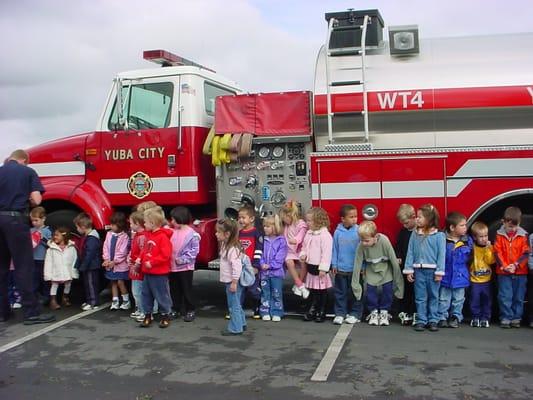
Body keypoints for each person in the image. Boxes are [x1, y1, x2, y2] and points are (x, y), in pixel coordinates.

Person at [0, 149, 55, 325]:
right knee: (24, 266)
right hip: (16, 220)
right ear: (24, 160)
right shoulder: (27, 171)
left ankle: (3, 313)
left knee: (1, 268)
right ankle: (31, 313)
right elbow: (37, 200)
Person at [403, 204, 446, 332]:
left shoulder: (438, 236)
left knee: (433, 296)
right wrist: (409, 269)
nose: (417, 219)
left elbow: (441, 255)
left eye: (420, 217)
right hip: (418, 270)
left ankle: (433, 319)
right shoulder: (415, 234)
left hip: (433, 271)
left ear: (429, 219)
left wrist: (439, 271)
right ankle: (422, 320)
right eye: (417, 216)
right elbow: (410, 251)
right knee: (420, 296)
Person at [352, 221, 404, 326]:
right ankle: (373, 311)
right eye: (361, 240)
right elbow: (357, 266)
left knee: (387, 289)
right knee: (370, 290)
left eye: (366, 241)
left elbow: (394, 261)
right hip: (371, 269)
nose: (364, 243)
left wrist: (399, 285)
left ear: (375, 237)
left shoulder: (384, 241)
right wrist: (356, 287)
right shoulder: (361, 246)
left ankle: (385, 311)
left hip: (385, 268)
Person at [493, 206, 530, 328]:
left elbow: (525, 253)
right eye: (509, 226)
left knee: (518, 297)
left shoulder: (523, 236)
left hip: (520, 272)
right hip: (504, 272)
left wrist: (516, 265)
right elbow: (497, 252)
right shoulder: (499, 235)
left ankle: (516, 318)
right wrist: (504, 266)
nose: (512, 229)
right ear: (503, 222)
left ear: (519, 223)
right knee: (505, 296)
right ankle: (506, 317)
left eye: (514, 226)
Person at [139, 207, 173, 328]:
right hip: (148, 271)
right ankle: (147, 314)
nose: (144, 224)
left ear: (152, 223)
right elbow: (145, 249)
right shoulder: (149, 235)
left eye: (145, 222)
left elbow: (166, 255)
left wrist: (152, 262)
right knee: (146, 294)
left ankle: (166, 314)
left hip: (159, 272)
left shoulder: (162, 237)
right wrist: (140, 259)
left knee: (161, 294)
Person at [437, 212, 473, 328]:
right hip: (446, 275)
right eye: (462, 225)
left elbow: (471, 258)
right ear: (452, 228)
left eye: (465, 225)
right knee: (443, 299)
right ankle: (442, 317)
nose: (465, 228)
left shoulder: (467, 241)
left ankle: (456, 317)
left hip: (460, 276)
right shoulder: (442, 240)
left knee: (458, 299)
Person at [300, 207, 333, 323]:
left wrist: (324, 268)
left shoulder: (325, 236)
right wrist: (303, 254)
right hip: (311, 267)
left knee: (322, 291)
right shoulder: (309, 234)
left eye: (310, 221)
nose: (307, 223)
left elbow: (326, 253)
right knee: (313, 291)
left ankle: (322, 310)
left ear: (318, 221)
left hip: (320, 268)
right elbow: (305, 246)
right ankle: (313, 309)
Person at [331, 204, 362, 325]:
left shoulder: (359, 231)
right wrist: (334, 264)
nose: (355, 219)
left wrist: (362, 267)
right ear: (343, 219)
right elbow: (335, 249)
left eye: (356, 216)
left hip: (355, 269)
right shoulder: (338, 232)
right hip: (341, 269)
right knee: (340, 292)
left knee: (356, 292)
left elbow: (362, 252)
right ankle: (340, 313)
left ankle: (355, 313)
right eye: (351, 217)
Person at [169, 206, 200, 322]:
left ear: (179, 218)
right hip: (172, 267)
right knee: (174, 290)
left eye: (173, 219)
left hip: (185, 267)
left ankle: (190, 309)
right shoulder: (172, 231)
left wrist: (182, 260)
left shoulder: (192, 234)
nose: (171, 222)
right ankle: (176, 308)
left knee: (186, 289)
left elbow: (194, 252)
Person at [216, 218, 246, 335]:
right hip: (230, 281)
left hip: (232, 282)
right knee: (236, 304)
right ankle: (241, 323)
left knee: (233, 306)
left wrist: (234, 282)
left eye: (218, 232)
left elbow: (237, 266)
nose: (216, 234)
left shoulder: (232, 249)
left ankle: (235, 328)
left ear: (227, 234)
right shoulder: (226, 245)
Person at [259, 215, 288, 322]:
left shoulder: (281, 241)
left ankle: (277, 311)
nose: (265, 228)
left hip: (276, 273)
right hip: (264, 273)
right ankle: (265, 311)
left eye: (268, 226)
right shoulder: (263, 240)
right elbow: (259, 253)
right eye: (264, 226)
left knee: (276, 293)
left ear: (275, 227)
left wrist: (270, 265)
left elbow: (280, 258)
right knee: (265, 292)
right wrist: (261, 263)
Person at [44, 227, 79, 310]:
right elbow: (48, 263)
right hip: (56, 271)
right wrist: (48, 275)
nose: (54, 237)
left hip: (67, 271)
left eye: (57, 235)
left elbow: (74, 260)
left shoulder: (71, 248)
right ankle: (53, 301)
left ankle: (65, 297)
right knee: (54, 285)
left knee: (68, 284)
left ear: (64, 236)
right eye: (54, 235)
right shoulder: (51, 249)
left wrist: (74, 272)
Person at [238, 205, 263, 318]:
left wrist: (256, 265)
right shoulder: (239, 233)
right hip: (240, 266)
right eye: (239, 218)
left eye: (244, 217)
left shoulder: (256, 234)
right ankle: (237, 308)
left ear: (252, 219)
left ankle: (257, 307)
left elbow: (259, 250)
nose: (241, 220)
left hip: (252, 266)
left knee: (254, 288)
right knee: (240, 288)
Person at [280, 201, 309, 299]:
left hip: (299, 249)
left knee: (303, 264)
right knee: (289, 262)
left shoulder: (301, 224)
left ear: (292, 215)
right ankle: (300, 285)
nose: (284, 220)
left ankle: (298, 285)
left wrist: (295, 240)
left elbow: (301, 236)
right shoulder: (286, 226)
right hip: (289, 250)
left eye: (285, 217)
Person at [102, 211, 131, 311]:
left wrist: (115, 261)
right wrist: (106, 259)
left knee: (120, 282)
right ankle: (115, 301)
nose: (111, 226)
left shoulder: (125, 237)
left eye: (113, 224)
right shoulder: (109, 234)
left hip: (120, 265)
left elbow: (122, 251)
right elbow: (105, 247)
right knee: (112, 282)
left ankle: (126, 300)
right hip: (110, 263)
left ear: (119, 225)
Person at [469, 221, 495, 328]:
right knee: (474, 300)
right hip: (474, 280)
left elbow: (491, 261)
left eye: (486, 236)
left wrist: (488, 249)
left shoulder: (489, 247)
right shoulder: (473, 248)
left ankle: (485, 318)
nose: (484, 239)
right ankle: (475, 317)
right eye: (481, 236)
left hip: (486, 280)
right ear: (475, 237)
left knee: (487, 300)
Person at [74, 212, 102, 311]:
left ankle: (94, 302)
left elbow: (89, 254)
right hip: (88, 265)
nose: (77, 229)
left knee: (91, 284)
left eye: (77, 227)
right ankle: (90, 300)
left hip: (91, 266)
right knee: (88, 284)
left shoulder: (92, 239)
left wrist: (83, 265)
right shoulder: (87, 237)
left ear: (83, 227)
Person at [395, 204, 417, 326]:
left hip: (415, 266)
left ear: (414, 217)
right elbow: (398, 246)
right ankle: (405, 311)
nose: (404, 226)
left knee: (416, 291)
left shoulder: (419, 232)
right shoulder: (403, 232)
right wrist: (398, 256)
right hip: (405, 267)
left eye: (407, 223)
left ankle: (415, 311)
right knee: (406, 290)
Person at [127, 210, 148, 321]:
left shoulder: (141, 237)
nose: (130, 226)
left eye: (131, 223)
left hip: (138, 268)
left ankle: (143, 311)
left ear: (137, 223)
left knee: (138, 291)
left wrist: (137, 263)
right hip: (135, 266)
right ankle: (140, 309)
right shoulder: (138, 235)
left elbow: (142, 252)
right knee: (137, 291)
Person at [30, 206, 52, 302]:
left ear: (43, 219)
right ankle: (34, 297)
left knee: (45, 279)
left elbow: (51, 245)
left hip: (44, 259)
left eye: (36, 220)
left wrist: (42, 238)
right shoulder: (31, 230)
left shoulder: (47, 231)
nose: (34, 222)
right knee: (34, 279)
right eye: (32, 220)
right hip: (33, 259)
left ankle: (46, 297)